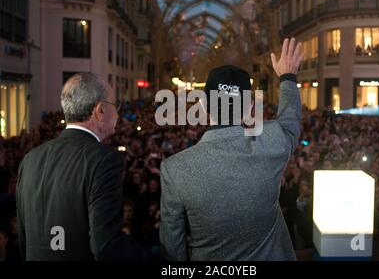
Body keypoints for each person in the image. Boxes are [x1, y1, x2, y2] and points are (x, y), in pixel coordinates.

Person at [160, 38, 303, 261]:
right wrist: (287, 77)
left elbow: (172, 248)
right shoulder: (271, 143)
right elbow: (290, 122)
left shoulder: (174, 169)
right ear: (250, 107)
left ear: (204, 106)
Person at [16, 73, 142, 261]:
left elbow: (24, 238)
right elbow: (106, 246)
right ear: (100, 110)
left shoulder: (30, 159)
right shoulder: (104, 159)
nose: (118, 113)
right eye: (116, 106)